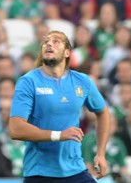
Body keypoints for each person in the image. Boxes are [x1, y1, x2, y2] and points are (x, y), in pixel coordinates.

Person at [9, 30, 110, 182]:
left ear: (67, 52)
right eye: (46, 41)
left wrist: (101, 153)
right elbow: (16, 129)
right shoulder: (28, 82)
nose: (49, 44)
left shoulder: (82, 81)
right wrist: (58, 135)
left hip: (75, 169)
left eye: (56, 41)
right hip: (40, 173)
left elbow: (103, 112)